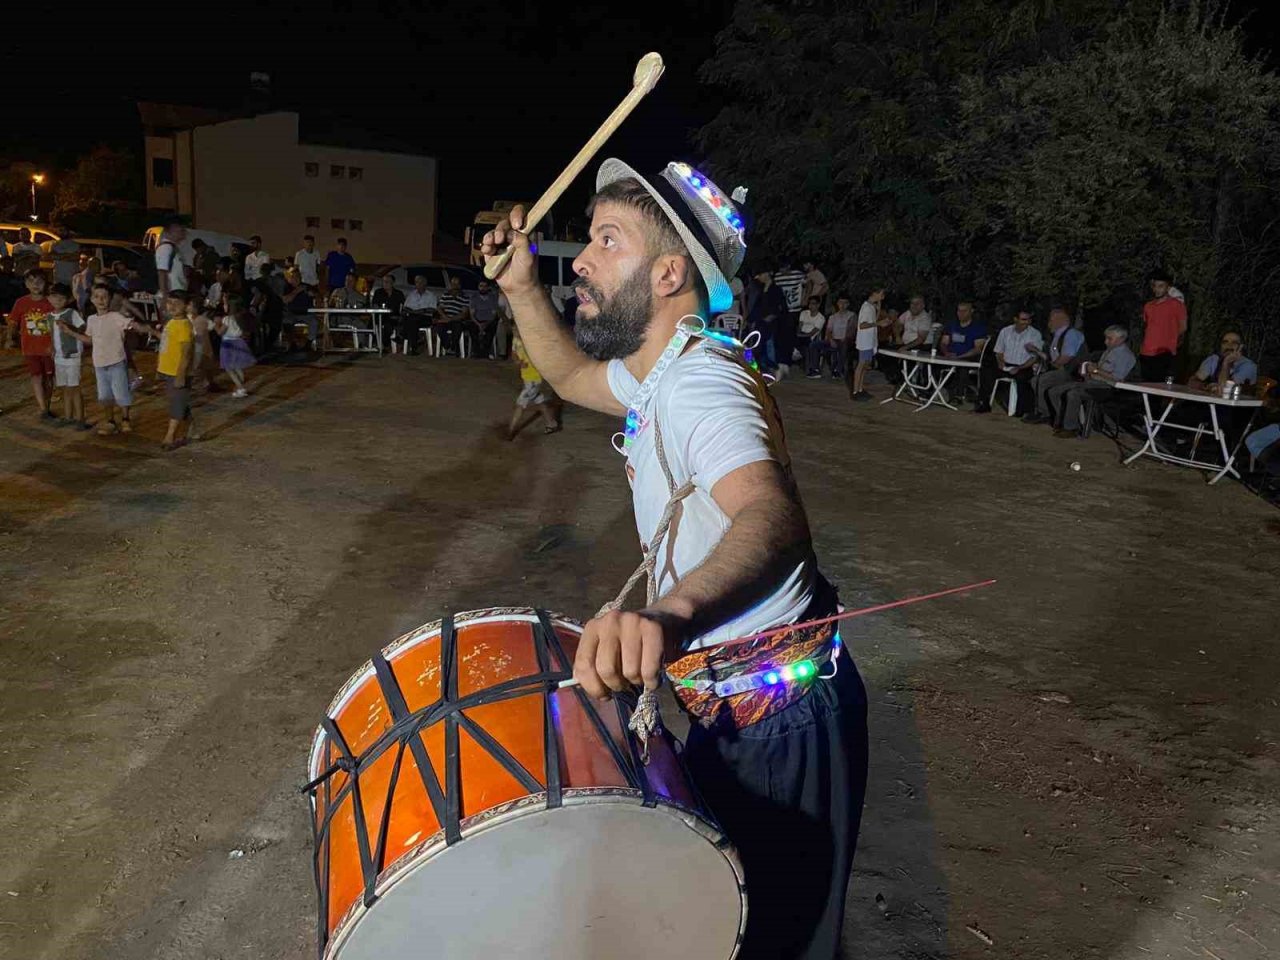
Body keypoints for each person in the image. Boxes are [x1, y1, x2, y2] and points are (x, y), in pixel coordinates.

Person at [481, 159, 867, 960]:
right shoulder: (661, 374)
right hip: (736, 712)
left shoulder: (700, 387)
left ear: (667, 273)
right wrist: (521, 287)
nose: (581, 259)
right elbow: (573, 375)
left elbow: (770, 514)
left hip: (780, 722)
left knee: (773, 943)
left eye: (605, 241)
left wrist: (669, 613)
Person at [1045, 325, 1137, 437]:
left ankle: (1071, 427)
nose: (1106, 341)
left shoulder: (1125, 355)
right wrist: (1089, 368)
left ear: (1121, 339)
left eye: (1110, 339)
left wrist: (1096, 370)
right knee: (1054, 391)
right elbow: (1101, 368)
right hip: (1093, 383)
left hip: (1107, 387)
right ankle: (1061, 421)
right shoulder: (1110, 351)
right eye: (1106, 338)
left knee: (1073, 394)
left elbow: (1118, 378)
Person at [80, 284, 136, 434]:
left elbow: (130, 325)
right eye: (97, 297)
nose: (101, 300)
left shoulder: (116, 316)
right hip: (99, 363)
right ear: (92, 299)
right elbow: (89, 339)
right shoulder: (91, 319)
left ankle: (125, 419)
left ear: (110, 299)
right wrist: (70, 332)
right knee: (105, 395)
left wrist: (146, 328)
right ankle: (110, 420)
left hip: (116, 361)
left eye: (104, 297)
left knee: (121, 393)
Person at [974, 308, 1043, 415]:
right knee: (987, 371)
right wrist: (1000, 363)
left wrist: (1019, 368)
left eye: (1028, 320)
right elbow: (999, 351)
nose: (1027, 322)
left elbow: (1034, 358)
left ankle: (1022, 410)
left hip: (1024, 366)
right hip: (1006, 364)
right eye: (1023, 319)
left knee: (1023, 378)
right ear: (1015, 319)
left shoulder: (1035, 334)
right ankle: (983, 403)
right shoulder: (1005, 331)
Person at [1023, 307, 1087, 423]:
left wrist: (1052, 366)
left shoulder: (1071, 334)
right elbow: (1051, 357)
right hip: (1061, 369)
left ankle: (1047, 413)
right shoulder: (1057, 336)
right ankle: (1047, 412)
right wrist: (1037, 351)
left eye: (1051, 320)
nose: (1049, 324)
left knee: (1041, 380)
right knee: (1036, 380)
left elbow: (1066, 358)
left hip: (1071, 371)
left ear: (1060, 320)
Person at [8, 269, 57, 419]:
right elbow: (13, 321)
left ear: (45, 284)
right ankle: (43, 408)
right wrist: (10, 338)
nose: (35, 285)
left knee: (49, 378)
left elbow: (58, 323)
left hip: (49, 348)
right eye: (31, 281)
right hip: (30, 348)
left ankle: (47, 403)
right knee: (36, 376)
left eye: (39, 282)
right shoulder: (21, 302)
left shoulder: (51, 302)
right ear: (26, 284)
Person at [47, 282, 90, 429]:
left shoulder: (72, 314)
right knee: (65, 387)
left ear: (68, 300)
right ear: (49, 298)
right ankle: (68, 416)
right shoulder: (50, 316)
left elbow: (83, 328)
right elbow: (52, 333)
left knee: (75, 387)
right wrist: (52, 347)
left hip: (73, 356)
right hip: (59, 357)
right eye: (54, 298)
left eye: (61, 299)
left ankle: (80, 419)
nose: (57, 301)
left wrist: (68, 327)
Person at [506, 330, 562, 439]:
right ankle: (552, 424)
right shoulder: (517, 339)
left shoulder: (532, 341)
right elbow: (514, 354)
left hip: (534, 378)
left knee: (520, 405)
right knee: (539, 401)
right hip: (527, 378)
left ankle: (510, 431)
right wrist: (518, 362)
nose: (515, 331)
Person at [937, 300, 988, 402]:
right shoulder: (952, 325)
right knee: (933, 363)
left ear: (971, 311)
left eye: (964, 311)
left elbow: (978, 349)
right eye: (959, 311)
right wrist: (946, 352)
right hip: (950, 355)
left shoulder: (978, 328)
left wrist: (959, 357)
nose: (961, 313)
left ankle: (958, 395)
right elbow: (944, 343)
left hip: (968, 357)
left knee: (962, 367)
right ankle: (933, 389)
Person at [1139, 271, 1186, 382]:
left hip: (1164, 352)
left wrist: (1173, 345)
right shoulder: (1148, 306)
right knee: (1147, 386)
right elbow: (1147, 326)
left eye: (1161, 286)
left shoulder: (1176, 304)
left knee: (1160, 387)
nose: (1157, 289)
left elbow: (1183, 327)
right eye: (1155, 286)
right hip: (1146, 352)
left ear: (1168, 287)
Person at [1189, 329, 1257, 392]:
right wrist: (1206, 386)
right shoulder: (1213, 359)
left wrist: (1226, 362)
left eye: (1234, 342)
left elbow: (1226, 390)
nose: (1229, 346)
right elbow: (1192, 382)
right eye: (1225, 342)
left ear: (1241, 347)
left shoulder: (1248, 366)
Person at [745, 269, 786, 374]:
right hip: (760, 321)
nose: (759, 277)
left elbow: (781, 307)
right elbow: (757, 307)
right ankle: (759, 367)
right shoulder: (760, 289)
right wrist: (750, 319)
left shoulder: (776, 289)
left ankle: (773, 369)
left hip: (772, 322)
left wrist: (773, 315)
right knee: (758, 344)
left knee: (769, 344)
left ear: (767, 274)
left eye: (760, 274)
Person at [216, 294, 255, 398]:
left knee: (229, 368)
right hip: (239, 342)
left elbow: (220, 332)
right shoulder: (241, 317)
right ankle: (240, 388)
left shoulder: (227, 319)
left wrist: (216, 324)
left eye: (225, 304)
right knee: (238, 367)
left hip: (228, 345)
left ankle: (240, 387)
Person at [849, 285, 883, 401]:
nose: (883, 296)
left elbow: (874, 320)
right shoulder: (866, 307)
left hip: (870, 341)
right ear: (875, 293)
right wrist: (878, 324)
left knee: (865, 366)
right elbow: (862, 325)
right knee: (861, 365)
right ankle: (855, 391)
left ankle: (860, 389)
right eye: (881, 293)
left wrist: (878, 308)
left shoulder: (871, 306)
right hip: (865, 341)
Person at [773, 260, 805, 377]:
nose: (782, 271)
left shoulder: (797, 274)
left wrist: (804, 298)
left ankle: (793, 352)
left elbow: (809, 284)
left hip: (794, 308)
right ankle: (786, 358)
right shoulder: (777, 277)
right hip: (782, 310)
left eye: (784, 268)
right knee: (781, 334)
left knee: (790, 332)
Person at [188, 295, 222, 392]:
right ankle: (199, 383)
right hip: (195, 346)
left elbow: (212, 327)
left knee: (206, 366)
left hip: (203, 346)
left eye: (190, 305)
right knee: (197, 366)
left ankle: (209, 383)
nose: (188, 307)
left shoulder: (202, 319)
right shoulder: (188, 319)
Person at [434, 275, 472, 355]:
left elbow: (464, 314)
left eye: (456, 284)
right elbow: (439, 308)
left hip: (456, 319)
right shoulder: (445, 295)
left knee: (458, 327)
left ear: (460, 285)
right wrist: (445, 317)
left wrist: (450, 319)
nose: (454, 286)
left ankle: (453, 347)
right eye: (453, 284)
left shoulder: (465, 297)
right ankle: (447, 346)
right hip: (446, 318)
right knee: (439, 327)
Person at [372, 273, 407, 353]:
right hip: (381, 315)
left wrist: (401, 315)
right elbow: (374, 304)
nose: (385, 284)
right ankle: (377, 343)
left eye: (387, 282)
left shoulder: (398, 293)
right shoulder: (378, 292)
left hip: (393, 316)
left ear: (392, 283)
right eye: (384, 281)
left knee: (390, 324)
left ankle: (385, 344)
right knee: (375, 322)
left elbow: (404, 306)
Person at [400, 274, 435, 354]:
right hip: (412, 316)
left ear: (425, 283)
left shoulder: (431, 295)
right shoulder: (412, 294)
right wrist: (411, 311)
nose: (418, 284)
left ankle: (403, 336)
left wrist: (419, 311)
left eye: (420, 282)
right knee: (411, 320)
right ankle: (414, 346)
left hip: (425, 317)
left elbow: (432, 309)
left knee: (411, 321)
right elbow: (405, 307)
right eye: (416, 282)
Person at [821, 296, 854, 379]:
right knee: (815, 345)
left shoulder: (852, 315)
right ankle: (814, 369)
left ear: (848, 304)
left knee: (843, 345)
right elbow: (828, 330)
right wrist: (831, 339)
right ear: (837, 304)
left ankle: (837, 370)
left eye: (845, 303)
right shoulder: (833, 317)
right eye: (840, 303)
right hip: (834, 338)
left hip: (846, 339)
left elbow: (851, 329)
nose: (842, 305)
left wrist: (845, 337)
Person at [283, 271, 317, 349]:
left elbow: (316, 295)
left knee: (314, 322)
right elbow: (286, 300)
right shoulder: (287, 288)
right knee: (286, 321)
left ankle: (309, 343)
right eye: (293, 277)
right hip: (292, 313)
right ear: (290, 279)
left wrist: (313, 295)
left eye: (298, 277)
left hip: (306, 313)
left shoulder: (306, 286)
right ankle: (291, 343)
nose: (296, 279)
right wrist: (297, 291)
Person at [154, 220, 188, 297]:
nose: (183, 234)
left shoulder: (172, 248)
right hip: (171, 293)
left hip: (176, 291)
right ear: (171, 232)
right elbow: (162, 272)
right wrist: (164, 295)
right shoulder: (166, 248)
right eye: (179, 231)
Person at [471, 278, 503, 358]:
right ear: (478, 287)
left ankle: (485, 352)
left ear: (488, 287)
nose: (483, 288)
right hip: (477, 321)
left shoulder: (493, 298)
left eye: (485, 286)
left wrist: (485, 324)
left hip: (489, 321)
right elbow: (472, 314)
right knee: (472, 329)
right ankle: (476, 352)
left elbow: (494, 314)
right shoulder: (474, 297)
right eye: (481, 286)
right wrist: (478, 324)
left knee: (491, 330)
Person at [798, 295, 826, 378]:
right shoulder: (804, 313)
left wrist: (801, 335)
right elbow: (799, 326)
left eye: (813, 304)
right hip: (801, 335)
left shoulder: (821, 318)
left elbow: (813, 333)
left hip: (811, 338)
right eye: (809, 304)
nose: (811, 306)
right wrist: (799, 334)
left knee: (808, 345)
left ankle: (812, 369)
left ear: (818, 305)